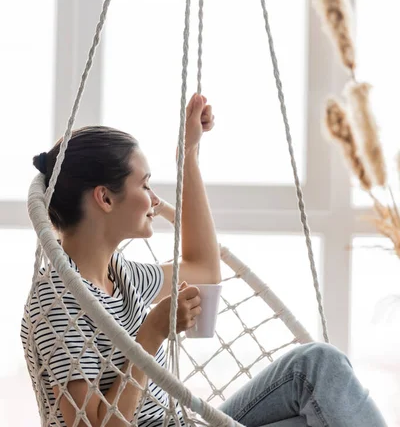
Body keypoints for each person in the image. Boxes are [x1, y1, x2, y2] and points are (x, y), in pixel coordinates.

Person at [21, 93, 387, 427]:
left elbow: (206, 271)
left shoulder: (120, 275)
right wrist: (150, 333)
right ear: (105, 198)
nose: (152, 198)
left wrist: (189, 157)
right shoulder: (59, 302)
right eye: (145, 185)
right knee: (318, 377)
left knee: (317, 368)